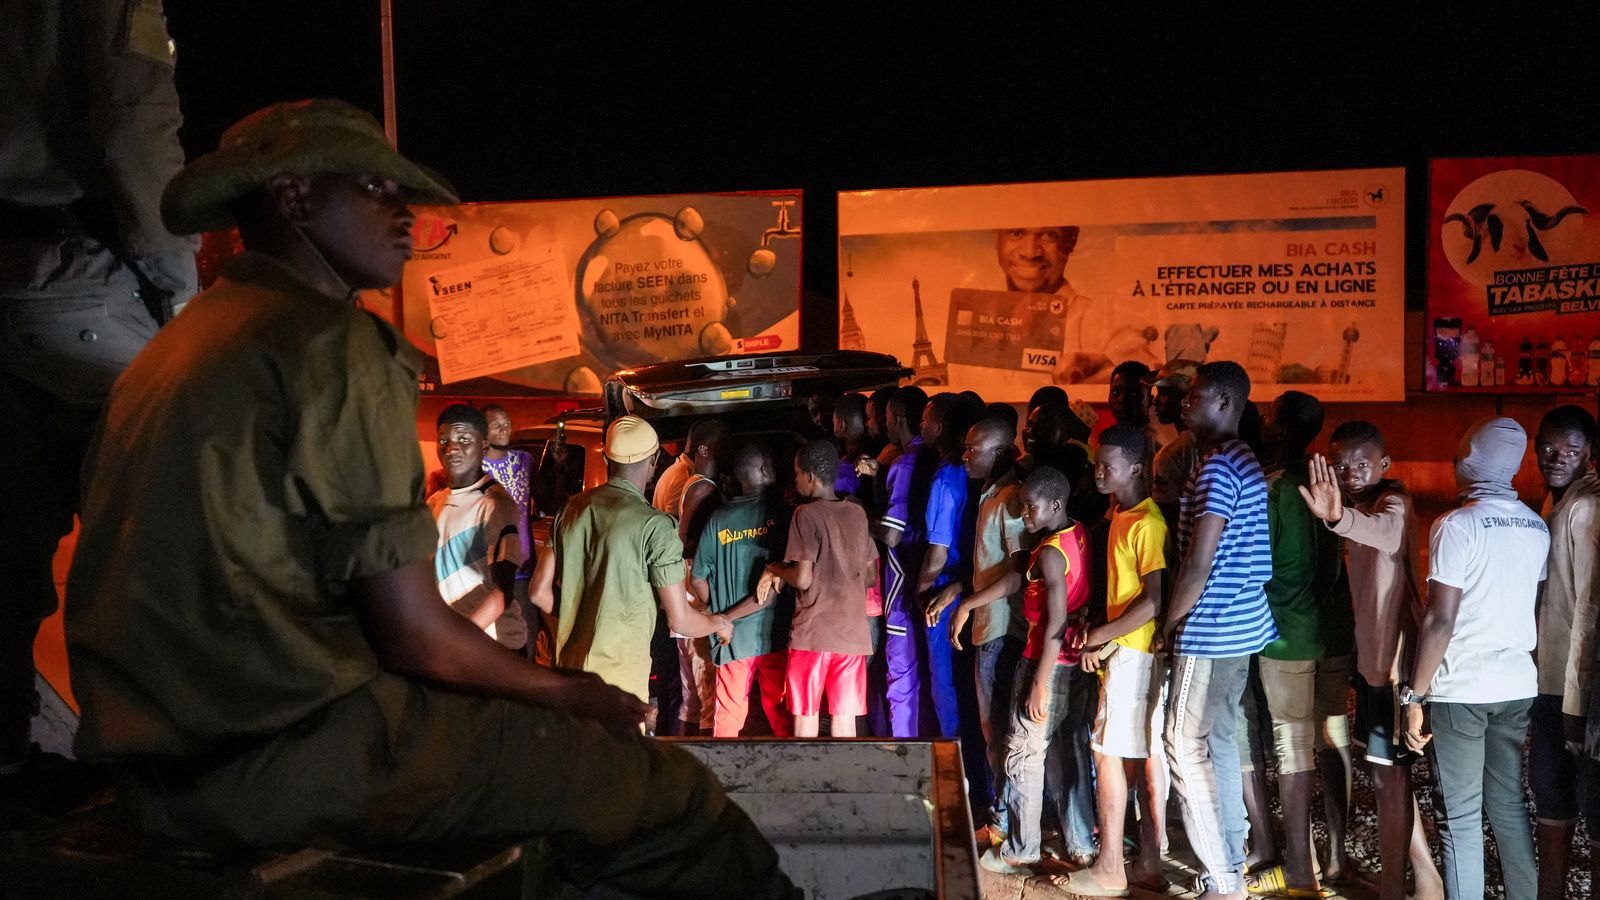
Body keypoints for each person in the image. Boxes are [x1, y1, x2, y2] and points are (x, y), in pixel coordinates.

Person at [64, 99, 793, 897]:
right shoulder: (329, 342)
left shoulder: (172, 351)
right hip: (289, 755)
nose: (404, 214)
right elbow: (417, 639)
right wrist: (573, 692)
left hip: (159, 772)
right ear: (295, 197)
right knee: (666, 790)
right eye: (374, 188)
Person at [1, 0, 198, 779]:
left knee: (10, 540)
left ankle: (10, 767)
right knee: (160, 542)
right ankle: (161, 767)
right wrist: (180, 294)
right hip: (70, 278)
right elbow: (136, 117)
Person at [1403, 417, 1546, 900]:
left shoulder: (1455, 526)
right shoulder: (1536, 525)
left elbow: (1440, 621)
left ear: (1471, 462)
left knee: (1459, 817)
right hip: (1516, 685)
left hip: (1462, 687)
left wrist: (1414, 694)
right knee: (1508, 805)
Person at [1301, 421, 1444, 900]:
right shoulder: (1358, 504)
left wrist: (1338, 518)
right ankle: (1425, 878)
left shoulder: (1392, 503)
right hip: (1373, 665)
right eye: (1340, 466)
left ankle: (1393, 890)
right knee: (1389, 776)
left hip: (1393, 669)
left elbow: (1385, 534)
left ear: (1383, 464)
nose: (1350, 473)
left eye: (1362, 464)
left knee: (1389, 780)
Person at [1161, 361, 1278, 900]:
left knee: (1182, 745)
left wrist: (1169, 625)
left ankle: (1225, 878)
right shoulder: (1242, 458)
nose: (1184, 404)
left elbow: (1198, 562)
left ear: (1226, 402)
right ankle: (1230, 853)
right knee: (1219, 743)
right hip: (1241, 627)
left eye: (1194, 396)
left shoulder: (1215, 468)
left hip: (1209, 630)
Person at [534, 414, 734, 703]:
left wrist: (581, 619)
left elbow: (539, 594)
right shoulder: (655, 526)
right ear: (653, 461)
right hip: (620, 681)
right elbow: (681, 621)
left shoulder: (570, 509)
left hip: (571, 673)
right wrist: (719, 622)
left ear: (607, 460)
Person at [1246, 391, 1355, 896]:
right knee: (1333, 740)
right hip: (1334, 629)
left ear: (1283, 430)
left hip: (1288, 633)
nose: (1263, 425)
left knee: (1293, 748)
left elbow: (1263, 567)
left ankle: (1298, 871)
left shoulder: (1274, 488)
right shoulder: (1330, 481)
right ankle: (1336, 858)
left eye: (1269, 419)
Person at [1055, 424, 1169, 897]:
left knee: (1107, 755)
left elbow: (1153, 600)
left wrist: (1100, 637)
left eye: (1109, 465)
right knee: (1140, 758)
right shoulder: (1123, 514)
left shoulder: (1146, 522)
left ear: (1137, 468)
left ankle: (1109, 869)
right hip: (1127, 650)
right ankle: (1148, 863)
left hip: (1134, 655)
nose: (1097, 471)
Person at [978, 465, 1091, 876]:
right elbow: (1022, 579)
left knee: (1024, 756)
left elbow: (1056, 621)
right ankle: (1080, 842)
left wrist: (1039, 682)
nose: (1023, 514)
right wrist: (969, 604)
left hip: (1048, 662)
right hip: (1071, 665)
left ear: (1054, 504)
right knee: (1064, 750)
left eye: (1030, 507)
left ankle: (1022, 849)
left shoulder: (1050, 553)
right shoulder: (1073, 534)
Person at [927, 417, 1026, 847]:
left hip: (1002, 626)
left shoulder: (1010, 499)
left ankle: (1006, 825)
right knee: (992, 731)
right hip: (989, 623)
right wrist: (959, 590)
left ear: (1002, 453)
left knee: (999, 732)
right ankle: (1003, 820)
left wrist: (967, 601)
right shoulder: (987, 493)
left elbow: (1020, 570)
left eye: (974, 449)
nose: (965, 456)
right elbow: (991, 564)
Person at [1528, 406, 1600, 899]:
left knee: (1585, 805)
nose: (1557, 459)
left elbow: (1588, 610)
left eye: (1570, 451)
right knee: (1550, 796)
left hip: (1572, 684)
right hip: (1550, 675)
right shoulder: (1556, 499)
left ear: (1588, 455)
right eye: (1550, 449)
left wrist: (1575, 703)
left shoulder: (1586, 508)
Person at [760, 441, 878, 738]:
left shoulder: (805, 514)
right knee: (844, 722)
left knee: (805, 719)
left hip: (813, 633)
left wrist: (774, 569)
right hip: (851, 634)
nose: (796, 480)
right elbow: (870, 576)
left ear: (811, 477)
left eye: (798, 474)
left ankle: (804, 783)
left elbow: (802, 579)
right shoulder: (857, 513)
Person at [691, 443, 792, 738]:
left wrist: (722, 614)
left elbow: (697, 579)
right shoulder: (782, 515)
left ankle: (723, 781)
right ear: (763, 471)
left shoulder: (718, 519)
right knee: (782, 717)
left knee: (728, 719)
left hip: (731, 640)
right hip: (774, 632)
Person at [428, 404, 527, 650]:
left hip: (493, 645)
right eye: (444, 441)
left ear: (484, 444)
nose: (452, 449)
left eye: (464, 439)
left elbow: (503, 593)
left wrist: (458, 641)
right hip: (456, 642)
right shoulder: (434, 502)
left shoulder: (494, 503)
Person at [652, 417, 728, 736]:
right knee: (705, 691)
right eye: (726, 448)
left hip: (681, 592)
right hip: (692, 594)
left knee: (692, 695)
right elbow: (684, 542)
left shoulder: (689, 480)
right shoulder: (698, 485)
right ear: (705, 449)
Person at [914, 393, 979, 738]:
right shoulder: (977, 473)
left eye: (925, 420)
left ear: (939, 428)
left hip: (946, 594)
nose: (920, 426)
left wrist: (921, 591)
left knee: (946, 690)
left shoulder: (945, 478)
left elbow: (937, 553)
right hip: (972, 586)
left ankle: (956, 778)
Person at [870, 386, 929, 737]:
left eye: (887, 419)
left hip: (901, 580)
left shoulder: (906, 462)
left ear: (899, 420)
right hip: (922, 575)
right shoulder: (928, 455)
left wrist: (860, 518)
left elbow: (891, 533)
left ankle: (904, 751)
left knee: (901, 676)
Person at [992, 226, 1111, 383]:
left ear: (1072, 240)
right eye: (1017, 233)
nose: (1030, 252)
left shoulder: (1108, 326)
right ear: (996, 237)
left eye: (1049, 235)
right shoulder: (968, 327)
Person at [1148, 360, 1201, 525]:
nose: (1155, 401)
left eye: (1164, 393)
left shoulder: (1169, 456)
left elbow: (1166, 518)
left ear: (1186, 397)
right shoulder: (1211, 443)